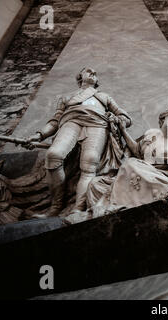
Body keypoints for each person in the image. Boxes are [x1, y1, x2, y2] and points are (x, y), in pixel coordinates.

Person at [26, 67, 132, 217]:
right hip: (71, 122)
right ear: (79, 77)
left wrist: (117, 119)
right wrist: (39, 135)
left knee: (89, 163)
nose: (93, 73)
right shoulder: (66, 97)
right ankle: (55, 207)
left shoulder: (104, 96)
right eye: (88, 71)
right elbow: (55, 122)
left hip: (97, 124)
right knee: (53, 155)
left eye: (95, 73)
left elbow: (125, 118)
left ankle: (78, 209)